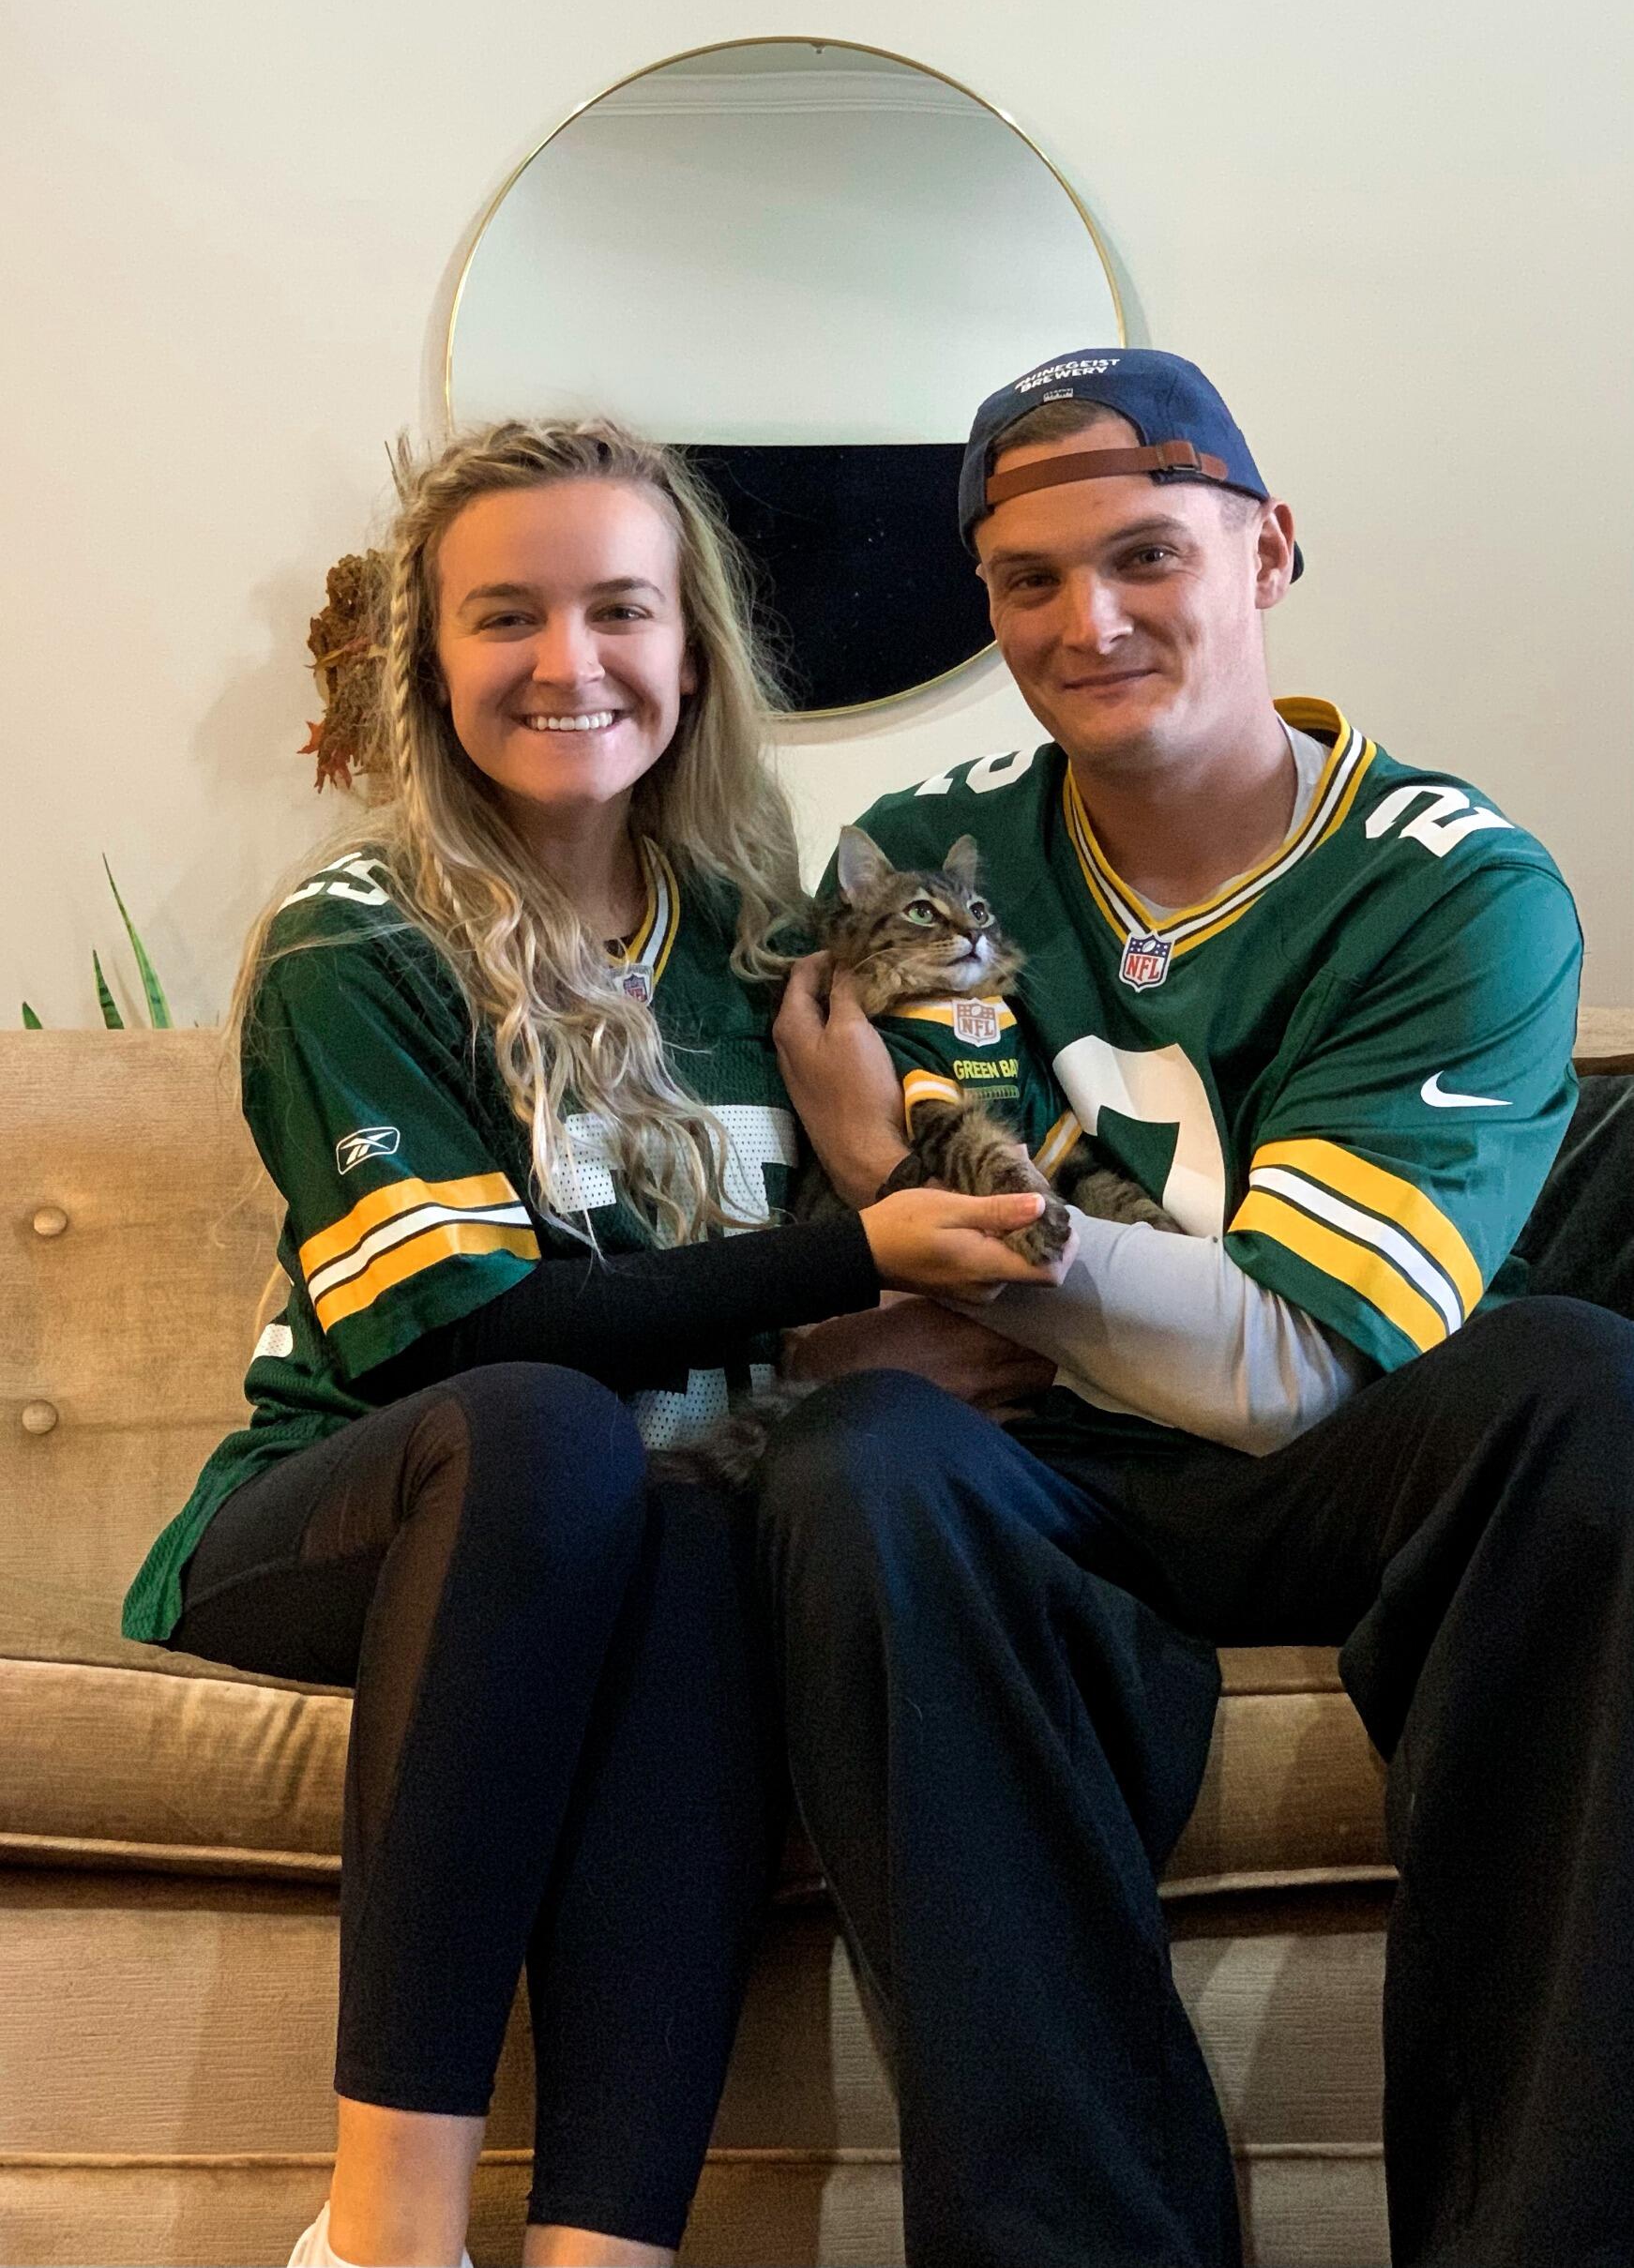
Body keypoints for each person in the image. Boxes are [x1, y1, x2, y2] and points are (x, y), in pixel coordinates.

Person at [120, 417, 1068, 2268]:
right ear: (429, 665)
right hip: (351, 1517)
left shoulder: (764, 948)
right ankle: (383, 2234)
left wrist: (872, 1200)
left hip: (629, 1516)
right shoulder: (358, 944)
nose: (570, 661)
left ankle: (602, 2250)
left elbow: (976, 1257)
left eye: (619, 608)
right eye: (507, 616)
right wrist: (842, 1259)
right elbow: (457, 1338)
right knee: (557, 1437)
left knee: (696, 1504)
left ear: (692, 649)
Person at [767, 348, 1634, 2267]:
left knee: (1574, 1383)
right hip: (1036, 1481)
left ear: (1268, 552)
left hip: (1334, 1463)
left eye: (1146, 554)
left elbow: (1284, 1370)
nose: (1088, 621)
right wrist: (881, 1282)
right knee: (860, 1461)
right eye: (1025, 580)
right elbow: (883, 1321)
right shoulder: (918, 857)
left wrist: (906, 1192)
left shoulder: (1454, 881)